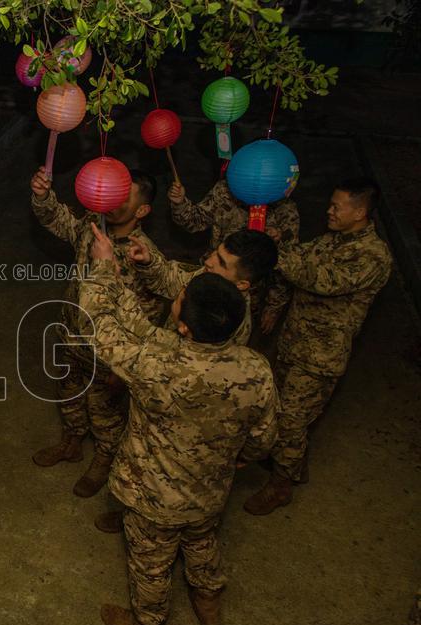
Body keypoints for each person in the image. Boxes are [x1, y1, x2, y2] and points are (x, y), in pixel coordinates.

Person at [80, 223, 279, 625]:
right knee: (202, 538)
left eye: (180, 301)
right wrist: (238, 459)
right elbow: (263, 440)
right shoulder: (254, 368)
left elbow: (100, 327)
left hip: (154, 497)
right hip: (210, 488)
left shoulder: (155, 365)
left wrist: (99, 271)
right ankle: (208, 597)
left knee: (150, 560)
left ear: (185, 327)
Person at [244, 177, 392, 515]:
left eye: (337, 207)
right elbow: (304, 255)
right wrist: (280, 242)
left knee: (291, 421)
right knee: (283, 411)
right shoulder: (333, 240)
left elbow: (323, 281)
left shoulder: (373, 256)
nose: (329, 210)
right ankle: (293, 462)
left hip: (320, 357)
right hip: (295, 344)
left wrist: (274, 256)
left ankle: (282, 485)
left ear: (361, 212)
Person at [28, 166, 167, 499]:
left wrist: (126, 369)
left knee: (104, 410)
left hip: (108, 352)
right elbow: (60, 221)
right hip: (73, 334)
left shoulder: (143, 255)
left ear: (143, 210)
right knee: (68, 393)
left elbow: (150, 314)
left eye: (125, 195)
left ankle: (105, 458)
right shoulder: (94, 225)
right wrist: (43, 196)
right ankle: (72, 440)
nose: (114, 199)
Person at [169, 178, 300, 334]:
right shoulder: (225, 190)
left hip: (249, 291)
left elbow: (286, 265)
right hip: (210, 274)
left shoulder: (285, 210)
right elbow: (194, 222)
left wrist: (274, 306)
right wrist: (179, 203)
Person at [128, 228, 280, 347]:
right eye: (216, 252)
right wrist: (148, 262)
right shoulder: (212, 277)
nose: (208, 261)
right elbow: (172, 281)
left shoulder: (229, 322)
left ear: (241, 284)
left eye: (221, 262)